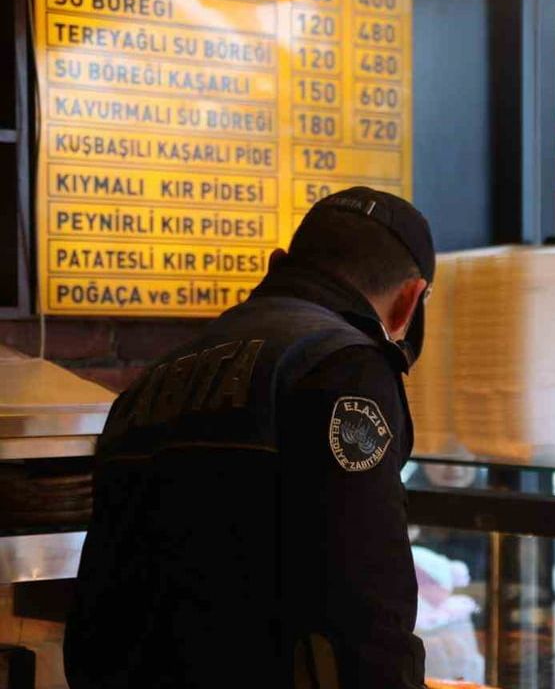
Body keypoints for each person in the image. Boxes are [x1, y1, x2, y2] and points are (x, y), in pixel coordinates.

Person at [64, 187, 435, 688]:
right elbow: (367, 605)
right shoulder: (344, 367)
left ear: (278, 264)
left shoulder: (153, 380)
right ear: (409, 301)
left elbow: (97, 604)